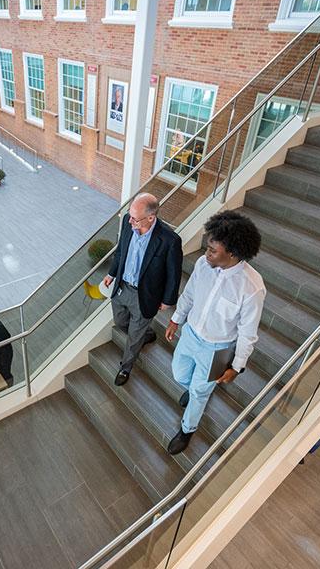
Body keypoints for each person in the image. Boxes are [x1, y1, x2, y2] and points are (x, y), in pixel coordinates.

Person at [164, 211, 266, 455]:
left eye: (213, 250)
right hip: (190, 334)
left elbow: (248, 333)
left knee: (200, 392)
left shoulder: (252, 287)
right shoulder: (203, 264)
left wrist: (237, 366)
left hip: (217, 349)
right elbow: (189, 294)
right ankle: (195, 391)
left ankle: (187, 428)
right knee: (179, 373)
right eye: (208, 247)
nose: (206, 253)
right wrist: (176, 320)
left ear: (232, 253)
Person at [104, 193, 182, 387]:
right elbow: (121, 250)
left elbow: (174, 274)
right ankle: (146, 335)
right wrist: (111, 274)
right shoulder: (128, 222)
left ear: (151, 217)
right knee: (120, 321)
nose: (130, 221)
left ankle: (126, 367)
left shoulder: (169, 240)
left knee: (133, 337)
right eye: (130, 216)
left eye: (135, 218)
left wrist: (167, 300)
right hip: (122, 287)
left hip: (145, 295)